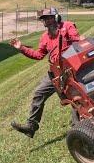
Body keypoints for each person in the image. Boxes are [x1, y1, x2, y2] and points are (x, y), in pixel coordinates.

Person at [9, 8, 81, 138]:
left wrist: (64, 35)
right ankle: (31, 127)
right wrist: (22, 48)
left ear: (57, 17)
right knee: (39, 93)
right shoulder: (44, 37)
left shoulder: (68, 26)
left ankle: (79, 126)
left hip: (70, 68)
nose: (47, 21)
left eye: (49, 18)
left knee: (75, 96)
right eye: (44, 19)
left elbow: (77, 42)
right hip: (54, 72)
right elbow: (39, 55)